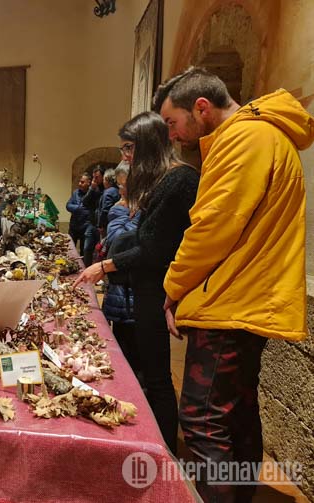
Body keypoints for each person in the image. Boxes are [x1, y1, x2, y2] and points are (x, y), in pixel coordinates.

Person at [153, 67, 314, 501]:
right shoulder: (262, 134)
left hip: (232, 300)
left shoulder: (244, 138)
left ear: (201, 108)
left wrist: (173, 286)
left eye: (172, 122)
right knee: (237, 415)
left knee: (203, 420)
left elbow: (212, 227)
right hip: (247, 297)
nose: (172, 134)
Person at [74, 112, 200, 454]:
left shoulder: (179, 180)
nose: (125, 157)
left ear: (149, 145)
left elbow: (154, 250)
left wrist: (105, 265)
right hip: (150, 288)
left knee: (157, 378)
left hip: (157, 289)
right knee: (149, 374)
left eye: (129, 148)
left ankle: (163, 455)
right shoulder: (165, 181)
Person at [100, 162, 141, 381]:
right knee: (123, 343)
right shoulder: (126, 208)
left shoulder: (127, 209)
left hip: (133, 291)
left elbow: (119, 240)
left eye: (123, 186)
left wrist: (122, 212)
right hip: (122, 289)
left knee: (134, 353)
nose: (119, 191)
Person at [81, 166, 104, 266]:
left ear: (103, 177)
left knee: (99, 253)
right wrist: (91, 189)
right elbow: (84, 202)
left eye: (97, 177)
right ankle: (86, 269)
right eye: (93, 177)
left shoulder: (107, 189)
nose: (94, 180)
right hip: (92, 223)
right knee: (87, 248)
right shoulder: (93, 188)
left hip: (102, 226)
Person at [65, 173, 91, 251]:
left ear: (88, 183)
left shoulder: (92, 194)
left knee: (84, 251)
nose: (79, 184)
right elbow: (68, 205)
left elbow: (89, 211)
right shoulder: (76, 192)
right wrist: (78, 208)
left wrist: (82, 211)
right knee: (69, 249)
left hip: (85, 227)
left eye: (82, 182)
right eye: (79, 181)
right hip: (74, 227)